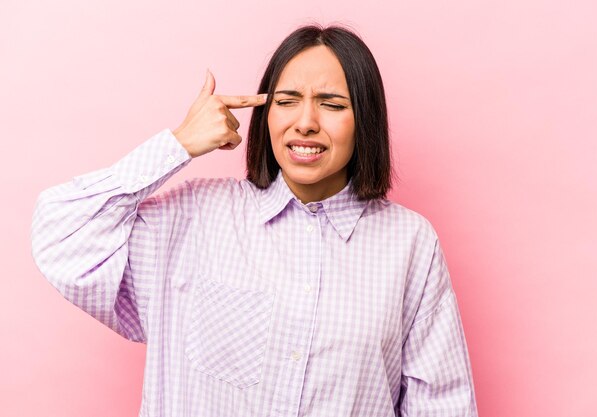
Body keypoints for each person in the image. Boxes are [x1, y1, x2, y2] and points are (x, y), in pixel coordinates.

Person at [31, 24, 478, 417]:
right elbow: (61, 236)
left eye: (332, 104)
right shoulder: (190, 218)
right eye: (287, 101)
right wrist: (178, 144)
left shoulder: (409, 244)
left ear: (366, 121)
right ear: (266, 115)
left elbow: (442, 404)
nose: (305, 122)